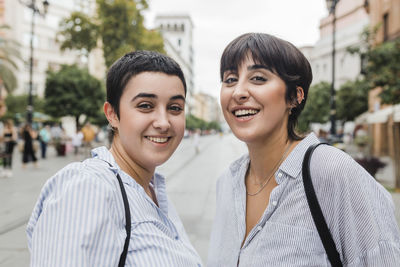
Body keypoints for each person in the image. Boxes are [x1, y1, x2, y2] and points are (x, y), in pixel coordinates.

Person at [207, 33, 400, 266]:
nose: (238, 92)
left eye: (258, 78)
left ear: (295, 97)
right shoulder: (227, 183)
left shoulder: (332, 172)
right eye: (230, 80)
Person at [26, 51, 202, 266]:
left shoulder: (151, 189)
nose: (163, 122)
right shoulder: (88, 188)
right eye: (145, 105)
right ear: (112, 114)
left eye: (175, 108)